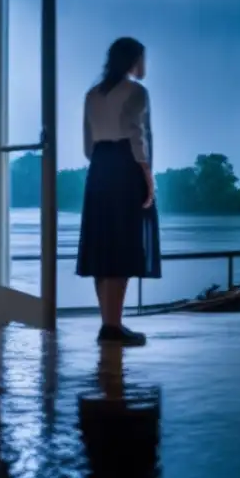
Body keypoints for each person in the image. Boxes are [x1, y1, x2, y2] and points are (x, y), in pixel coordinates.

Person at [77, 36, 161, 345]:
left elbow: (87, 145)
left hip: (99, 167)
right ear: (132, 60)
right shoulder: (137, 92)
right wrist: (147, 176)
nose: (144, 65)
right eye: (142, 58)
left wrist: (103, 162)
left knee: (102, 247)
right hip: (126, 166)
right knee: (123, 245)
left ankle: (108, 323)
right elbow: (137, 137)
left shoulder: (91, 95)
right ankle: (113, 326)